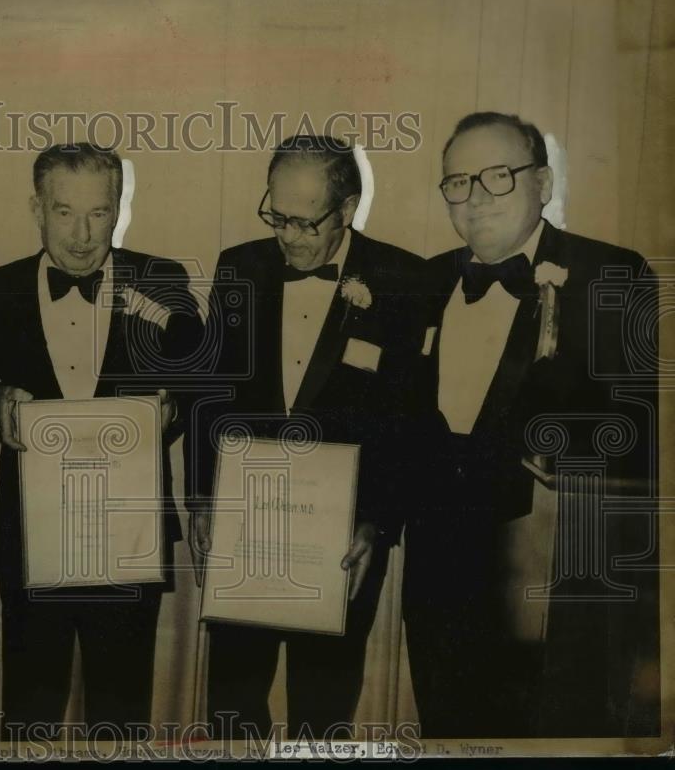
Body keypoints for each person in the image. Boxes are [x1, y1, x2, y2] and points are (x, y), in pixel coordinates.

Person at [402, 111, 660, 737]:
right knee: (447, 732)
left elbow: (639, 431)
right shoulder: (426, 280)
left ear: (542, 183)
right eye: (457, 182)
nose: (475, 199)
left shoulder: (611, 275)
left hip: (549, 572)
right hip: (435, 567)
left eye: (498, 176)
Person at [0, 142, 203, 734]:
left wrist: (172, 406)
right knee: (29, 715)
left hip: (128, 539)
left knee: (120, 718)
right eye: (65, 211)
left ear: (120, 208)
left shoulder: (161, 280)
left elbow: (205, 379)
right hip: (33, 538)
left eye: (100, 212)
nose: (83, 234)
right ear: (36, 208)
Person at [188, 134, 426, 739]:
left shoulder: (400, 278)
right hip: (245, 529)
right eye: (276, 216)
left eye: (304, 221)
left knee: (322, 714)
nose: (287, 235)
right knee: (231, 711)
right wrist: (199, 500)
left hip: (342, 540)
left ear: (346, 210)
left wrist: (375, 522)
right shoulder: (238, 266)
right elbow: (210, 395)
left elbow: (406, 422)